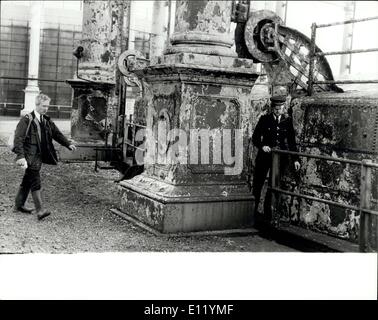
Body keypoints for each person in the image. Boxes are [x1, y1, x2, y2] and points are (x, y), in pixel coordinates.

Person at [12, 93, 76, 220]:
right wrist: (20, 156)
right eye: (43, 106)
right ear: (37, 105)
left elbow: (56, 134)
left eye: (47, 106)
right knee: (35, 179)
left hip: (39, 156)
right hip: (28, 156)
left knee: (27, 179)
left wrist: (67, 144)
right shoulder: (27, 119)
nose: (46, 108)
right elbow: (18, 139)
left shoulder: (46, 120)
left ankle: (18, 205)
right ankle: (40, 210)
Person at [252, 95, 300, 230]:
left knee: (273, 185)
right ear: (272, 108)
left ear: (283, 107)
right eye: (276, 108)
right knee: (258, 183)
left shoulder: (287, 121)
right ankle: (253, 212)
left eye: (280, 108)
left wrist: (296, 159)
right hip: (265, 157)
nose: (278, 110)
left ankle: (268, 215)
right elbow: (255, 137)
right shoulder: (264, 119)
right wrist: (262, 146)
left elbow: (292, 142)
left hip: (280, 158)